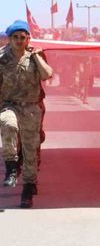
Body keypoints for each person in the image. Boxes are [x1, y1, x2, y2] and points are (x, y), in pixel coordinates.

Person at [0, 20, 53, 208]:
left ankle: (28, 187)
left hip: (31, 108)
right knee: (8, 125)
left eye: (23, 37)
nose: (19, 40)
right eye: (15, 37)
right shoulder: (2, 57)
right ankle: (12, 167)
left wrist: (37, 57)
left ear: (28, 38)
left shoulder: (36, 56)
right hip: (9, 105)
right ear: (9, 39)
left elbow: (47, 75)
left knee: (31, 149)